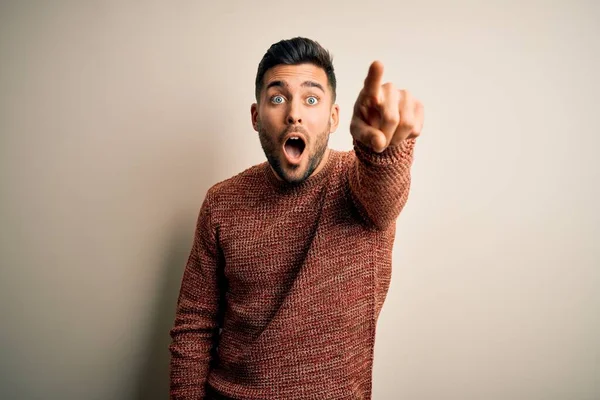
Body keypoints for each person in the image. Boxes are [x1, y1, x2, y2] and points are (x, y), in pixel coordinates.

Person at [169, 37, 424, 400]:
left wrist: (382, 151)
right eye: (277, 98)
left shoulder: (357, 183)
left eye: (311, 98)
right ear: (256, 117)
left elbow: (383, 195)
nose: (294, 113)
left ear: (333, 117)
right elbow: (194, 327)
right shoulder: (221, 202)